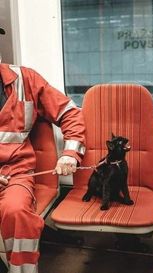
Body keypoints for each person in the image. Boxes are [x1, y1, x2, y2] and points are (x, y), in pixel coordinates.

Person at [0, 28, 85, 273]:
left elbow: (70, 114)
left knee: (17, 212)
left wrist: (70, 153)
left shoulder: (25, 80)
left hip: (16, 174)